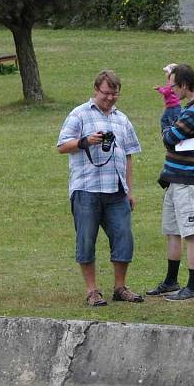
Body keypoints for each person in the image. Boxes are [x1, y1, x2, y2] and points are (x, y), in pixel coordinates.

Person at [57, 70, 144, 307]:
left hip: (116, 190)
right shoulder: (79, 114)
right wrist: (85, 141)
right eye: (106, 94)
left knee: (124, 237)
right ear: (96, 90)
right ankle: (92, 290)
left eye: (114, 95)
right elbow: (62, 146)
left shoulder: (122, 119)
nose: (109, 99)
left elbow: (128, 156)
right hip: (86, 188)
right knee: (86, 239)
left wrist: (129, 190)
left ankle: (120, 287)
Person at [147, 64, 194, 301]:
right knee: (173, 232)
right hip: (175, 179)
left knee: (191, 233)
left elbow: (171, 138)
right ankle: (171, 281)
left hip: (187, 180)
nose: (172, 90)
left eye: (174, 85)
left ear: (185, 85)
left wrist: (167, 129)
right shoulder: (189, 108)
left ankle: (193, 286)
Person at [154, 63, 182, 132]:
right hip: (170, 107)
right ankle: (166, 133)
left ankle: (172, 134)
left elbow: (166, 92)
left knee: (173, 121)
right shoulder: (171, 83)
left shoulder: (171, 84)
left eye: (167, 72)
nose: (165, 74)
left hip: (173, 107)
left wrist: (159, 89)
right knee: (164, 119)